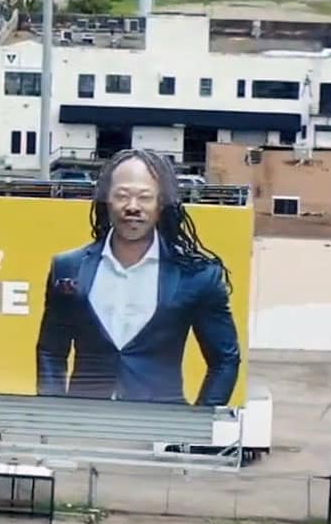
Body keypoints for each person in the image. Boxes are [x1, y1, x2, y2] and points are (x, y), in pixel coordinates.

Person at [33, 149, 241, 406]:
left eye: (144, 197)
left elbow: (225, 360)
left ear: (161, 203)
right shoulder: (68, 268)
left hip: (161, 431)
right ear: (106, 199)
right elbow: (51, 352)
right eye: (122, 196)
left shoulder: (197, 275)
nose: (132, 207)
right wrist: (53, 419)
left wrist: (193, 430)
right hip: (83, 427)